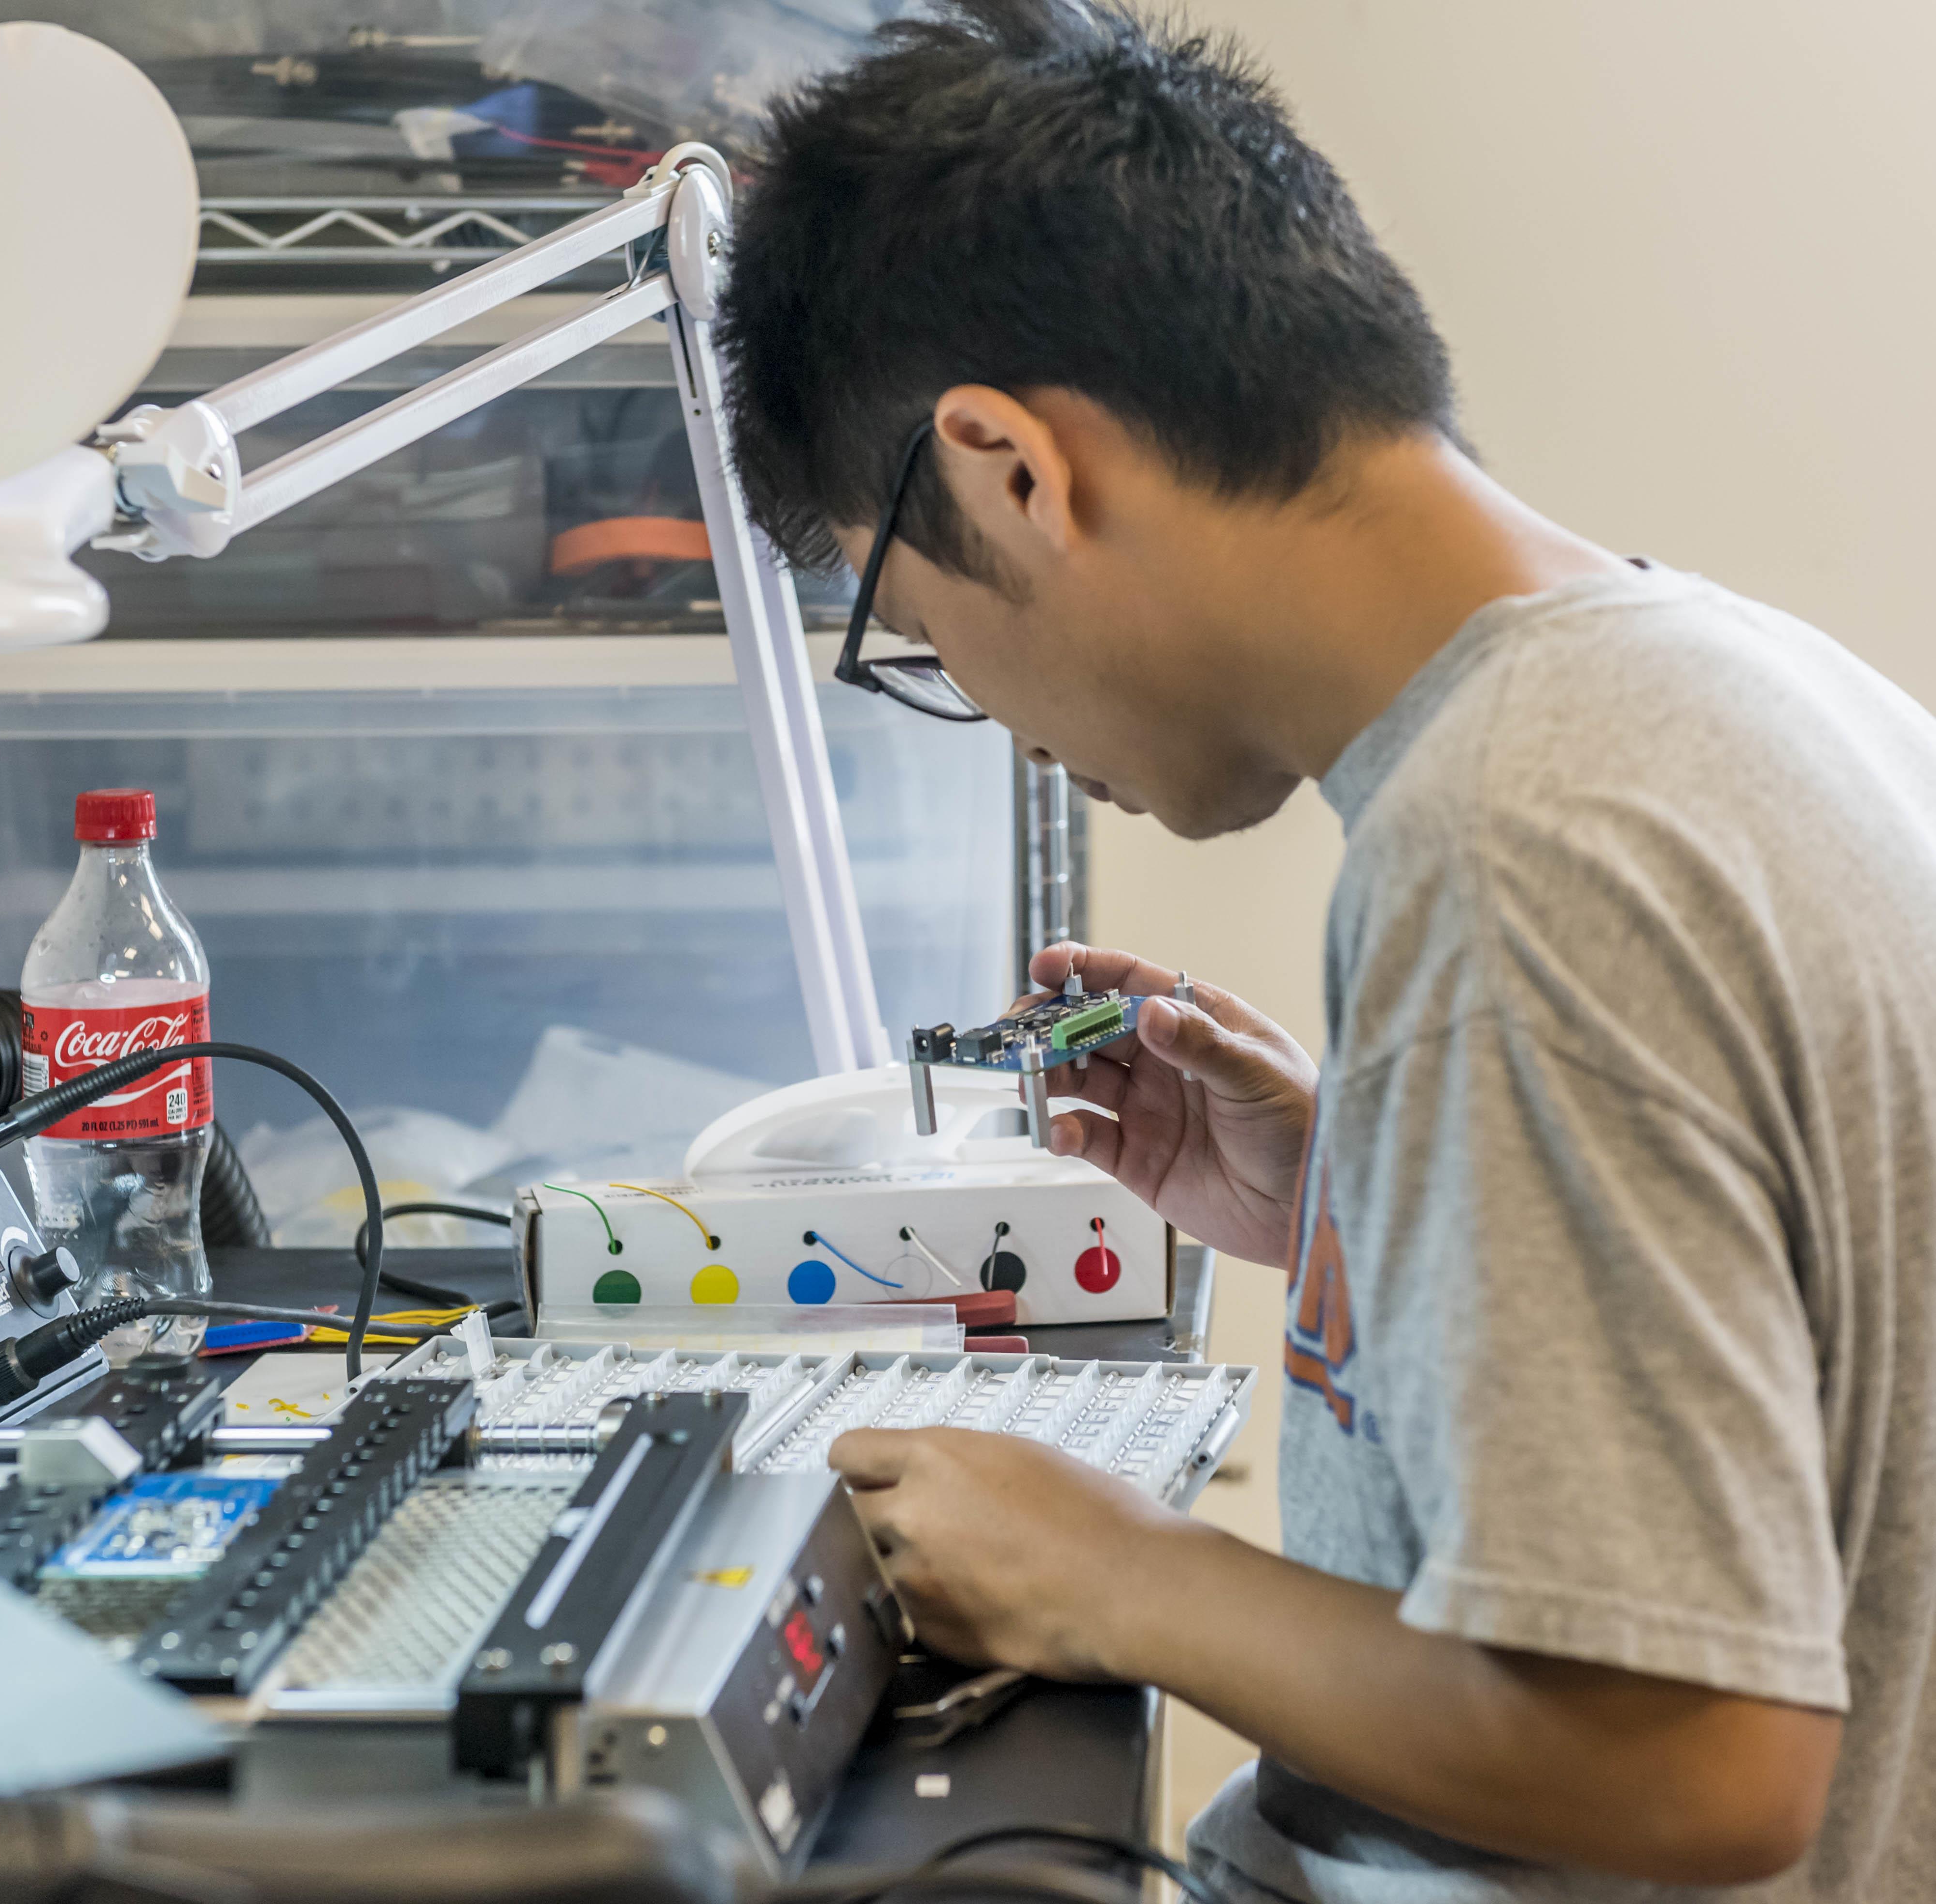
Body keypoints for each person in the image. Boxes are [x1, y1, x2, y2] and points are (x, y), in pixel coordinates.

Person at [712, 4, 1936, 1899]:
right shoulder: (1731, 686)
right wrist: (1357, 1191)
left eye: (921, 631)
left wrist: (1115, 1571)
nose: (996, 714)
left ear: (1008, 469)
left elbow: (1701, 1762)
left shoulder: (1518, 839)